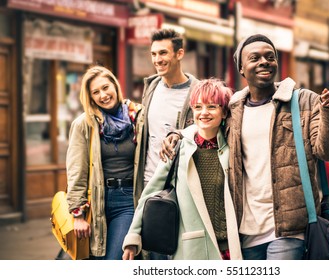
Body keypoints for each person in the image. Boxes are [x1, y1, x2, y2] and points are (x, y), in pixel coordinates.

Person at [161, 34, 329, 260]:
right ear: (241, 68)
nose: (264, 62)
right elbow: (206, 126)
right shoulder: (234, 108)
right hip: (244, 230)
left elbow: (328, 152)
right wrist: (177, 134)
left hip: (289, 230)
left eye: (270, 57)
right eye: (255, 58)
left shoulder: (303, 101)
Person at [122, 78, 242, 260]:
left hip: (229, 250)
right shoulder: (178, 148)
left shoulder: (232, 147)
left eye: (212, 107)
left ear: (224, 112)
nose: (204, 113)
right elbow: (150, 192)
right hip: (193, 250)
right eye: (198, 107)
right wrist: (132, 238)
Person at [66, 65, 144, 260]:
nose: (103, 95)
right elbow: (77, 171)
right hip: (95, 202)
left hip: (127, 200)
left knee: (115, 259)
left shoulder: (138, 117)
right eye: (96, 92)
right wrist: (78, 214)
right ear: (90, 97)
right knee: (96, 259)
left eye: (105, 87)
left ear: (115, 86)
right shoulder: (84, 124)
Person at [137, 28, 199, 259]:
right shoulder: (150, 88)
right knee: (153, 254)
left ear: (179, 53)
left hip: (180, 187)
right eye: (153, 54)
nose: (157, 60)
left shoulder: (197, 91)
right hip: (149, 185)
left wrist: (181, 133)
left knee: (182, 254)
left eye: (163, 53)